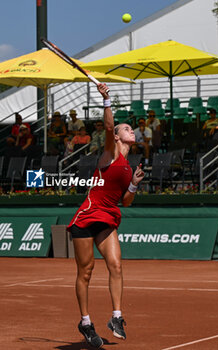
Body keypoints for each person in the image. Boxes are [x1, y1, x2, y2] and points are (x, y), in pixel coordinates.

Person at [67, 83, 144, 348]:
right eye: (127, 129)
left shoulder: (127, 166)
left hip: (108, 217)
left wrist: (133, 183)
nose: (130, 130)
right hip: (88, 216)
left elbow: (126, 202)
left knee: (116, 265)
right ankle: (86, 322)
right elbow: (109, 127)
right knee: (86, 271)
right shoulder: (110, 154)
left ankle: (116, 317)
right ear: (119, 137)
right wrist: (107, 99)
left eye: (131, 129)